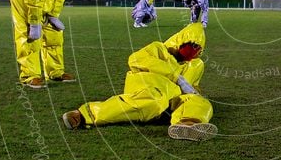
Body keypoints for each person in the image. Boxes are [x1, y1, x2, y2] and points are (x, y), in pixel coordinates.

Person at [61, 22, 217, 141]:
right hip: (150, 89)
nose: (194, 51)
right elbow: (134, 59)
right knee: (153, 101)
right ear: (182, 40)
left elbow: (193, 86)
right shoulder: (158, 49)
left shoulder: (196, 65)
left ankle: (187, 123)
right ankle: (83, 114)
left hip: (172, 99)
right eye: (192, 44)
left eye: (198, 48)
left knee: (200, 102)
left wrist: (195, 93)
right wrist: (175, 76)